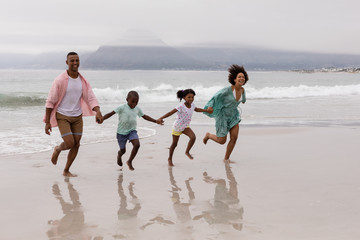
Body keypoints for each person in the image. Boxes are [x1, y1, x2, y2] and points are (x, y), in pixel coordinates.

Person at [44, 52, 103, 177]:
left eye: (77, 60)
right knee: (70, 143)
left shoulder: (83, 81)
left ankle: (66, 170)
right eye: (72, 61)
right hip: (62, 116)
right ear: (67, 62)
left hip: (77, 116)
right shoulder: (60, 80)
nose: (75, 63)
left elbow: (91, 97)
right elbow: (50, 101)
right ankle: (58, 149)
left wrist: (97, 111)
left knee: (77, 143)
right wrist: (48, 122)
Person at [102, 91, 162, 171]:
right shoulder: (122, 107)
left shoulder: (137, 109)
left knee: (137, 144)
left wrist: (155, 121)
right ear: (127, 99)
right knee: (123, 150)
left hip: (132, 131)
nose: (134, 104)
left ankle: (129, 161)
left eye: (136, 102)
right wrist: (102, 118)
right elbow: (111, 113)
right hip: (121, 133)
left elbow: (145, 116)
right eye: (132, 102)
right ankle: (119, 155)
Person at [202, 64, 248, 162]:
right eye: (239, 77)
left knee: (234, 137)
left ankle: (226, 158)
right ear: (234, 79)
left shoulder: (243, 90)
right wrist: (210, 106)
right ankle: (209, 135)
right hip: (222, 116)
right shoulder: (228, 90)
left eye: (243, 77)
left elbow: (243, 99)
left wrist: (243, 100)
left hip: (233, 116)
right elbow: (215, 96)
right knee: (222, 141)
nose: (241, 78)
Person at [156, 89, 212, 166]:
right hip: (177, 127)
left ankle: (187, 152)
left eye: (192, 97)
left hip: (185, 126)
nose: (191, 99)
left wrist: (206, 110)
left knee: (193, 137)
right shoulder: (181, 106)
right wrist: (161, 118)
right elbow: (170, 112)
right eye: (189, 97)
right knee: (174, 144)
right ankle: (170, 158)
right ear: (184, 97)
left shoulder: (192, 105)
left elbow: (197, 109)